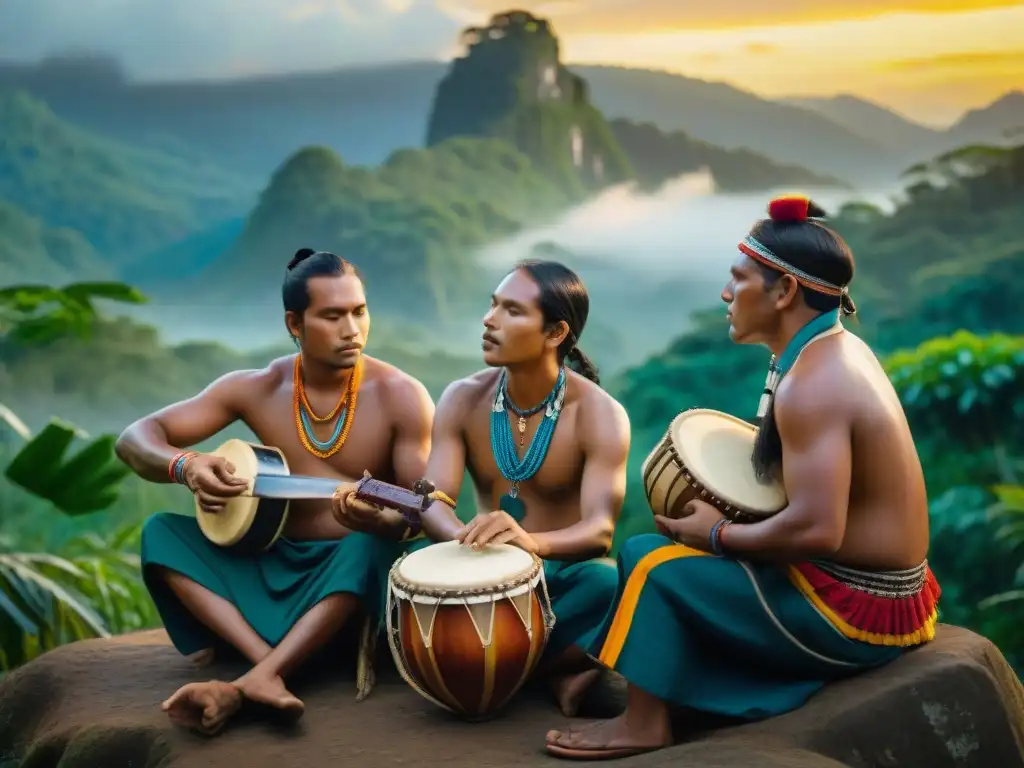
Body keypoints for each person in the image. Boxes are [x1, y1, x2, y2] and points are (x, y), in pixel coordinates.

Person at [543, 195, 942, 759]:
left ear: (784, 292)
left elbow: (818, 530)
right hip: (884, 591)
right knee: (669, 560)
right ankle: (629, 672)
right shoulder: (828, 352)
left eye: (739, 279)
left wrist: (716, 536)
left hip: (853, 609)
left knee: (649, 561)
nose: (727, 294)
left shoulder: (815, 383)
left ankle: (644, 723)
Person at [115, 249, 434, 736]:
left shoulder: (401, 396)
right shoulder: (257, 387)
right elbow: (135, 438)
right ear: (295, 323)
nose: (352, 329)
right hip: (269, 559)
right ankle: (268, 667)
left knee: (370, 546)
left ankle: (254, 677)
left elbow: (420, 515)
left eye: (359, 311)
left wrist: (381, 521)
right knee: (162, 533)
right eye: (332, 316)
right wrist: (187, 465)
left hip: (349, 578)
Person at [340, 259, 630, 718]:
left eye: (511, 311)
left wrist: (530, 543)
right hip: (474, 574)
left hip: (555, 583)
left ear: (555, 333)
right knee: (382, 564)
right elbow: (432, 499)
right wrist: (463, 539)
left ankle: (468, 669)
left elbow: (599, 532)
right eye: (493, 305)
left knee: (610, 580)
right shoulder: (463, 397)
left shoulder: (599, 413)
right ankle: (546, 674)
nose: (489, 320)